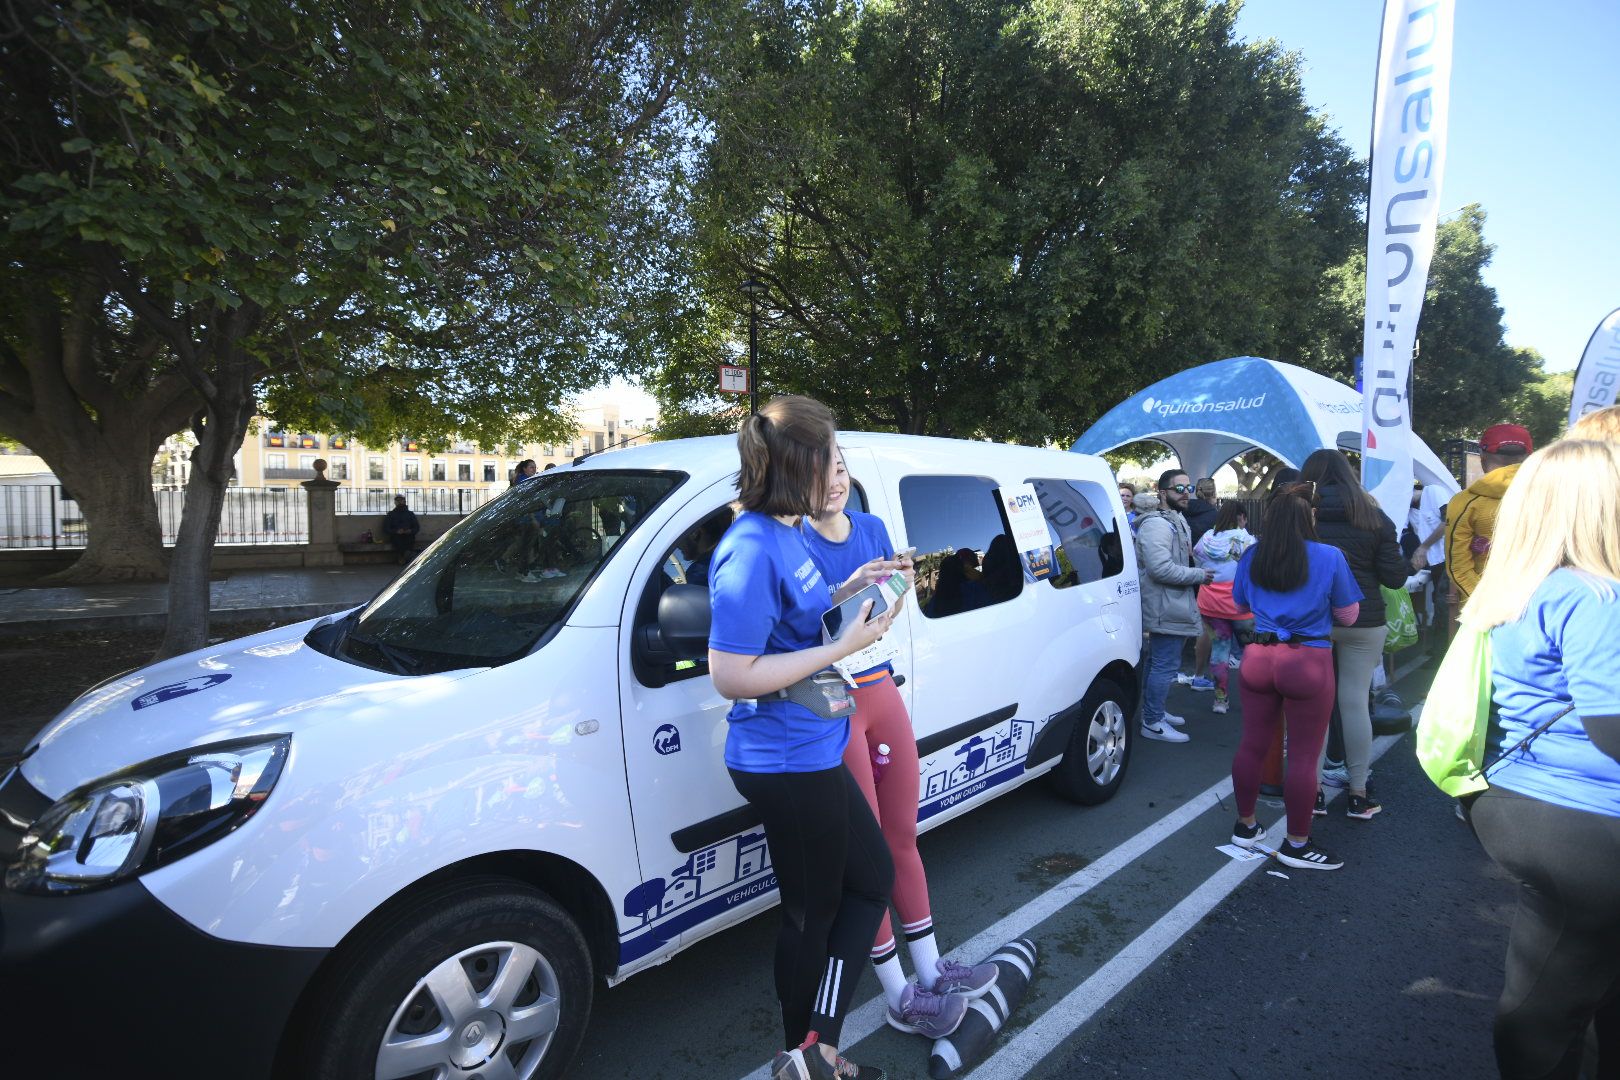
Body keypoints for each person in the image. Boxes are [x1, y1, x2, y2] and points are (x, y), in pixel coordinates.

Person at [706, 395, 895, 1080]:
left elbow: (800, 616)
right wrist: (842, 646)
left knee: (872, 879)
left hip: (811, 746)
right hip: (782, 760)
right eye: (831, 459)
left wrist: (855, 585)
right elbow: (731, 674)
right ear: (799, 466)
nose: (839, 472)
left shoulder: (789, 531)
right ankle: (810, 1059)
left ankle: (816, 1050)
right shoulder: (752, 546)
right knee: (810, 916)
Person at [801, 450, 996, 1041]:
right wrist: (847, 596)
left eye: (836, 467)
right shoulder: (789, 543)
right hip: (829, 700)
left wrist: (899, 584)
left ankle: (933, 970)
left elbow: (891, 606)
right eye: (815, 471)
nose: (832, 482)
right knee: (864, 861)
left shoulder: (872, 528)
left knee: (902, 837)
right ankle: (899, 995)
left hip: (880, 687)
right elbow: (798, 626)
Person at [1463, 438, 1620, 1080]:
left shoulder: (1520, 587)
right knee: (1546, 1015)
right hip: (1586, 816)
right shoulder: (1594, 595)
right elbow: (1611, 727)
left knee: (1564, 987)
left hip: (1523, 798)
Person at [1227, 482, 1362, 870]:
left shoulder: (1253, 554)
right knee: (1303, 757)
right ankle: (1298, 845)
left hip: (1258, 656)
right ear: (1310, 517)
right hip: (1307, 660)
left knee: (1251, 745)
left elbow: (1239, 603)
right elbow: (1348, 614)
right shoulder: (1330, 556)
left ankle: (1246, 825)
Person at [1300, 448, 1409, 820]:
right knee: (1354, 703)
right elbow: (1395, 577)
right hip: (1364, 621)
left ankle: (1311, 793)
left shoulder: (1301, 518)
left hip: (1312, 621)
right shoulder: (1374, 517)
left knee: (1313, 706)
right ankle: (1359, 793)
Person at [1135, 469, 1214, 743]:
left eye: (1189, 488)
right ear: (1162, 492)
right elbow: (1160, 569)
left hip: (1169, 603)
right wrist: (1199, 575)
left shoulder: (1173, 520)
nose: (1186, 494)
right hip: (1164, 604)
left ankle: (1152, 713)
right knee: (1164, 665)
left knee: (1159, 662)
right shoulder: (1157, 524)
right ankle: (1152, 721)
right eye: (1179, 488)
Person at [1446, 423, 1533, 608]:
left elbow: (1458, 567)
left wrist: (1487, 607)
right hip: (1541, 607)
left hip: (1483, 612)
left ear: (1483, 458)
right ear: (1530, 457)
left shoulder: (1464, 503)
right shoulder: (1555, 497)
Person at [1192, 501, 1254, 716]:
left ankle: (1220, 700)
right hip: (1240, 604)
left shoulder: (1207, 537)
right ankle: (1256, 697)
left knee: (1219, 651)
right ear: (1242, 517)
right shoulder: (1246, 539)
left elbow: (1196, 556)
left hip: (1210, 603)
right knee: (1254, 652)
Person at [382, 495, 419, 564]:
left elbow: (416, 527)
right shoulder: (391, 514)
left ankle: (405, 556)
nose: (399, 502)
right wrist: (396, 531)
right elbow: (386, 528)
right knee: (398, 541)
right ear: (395, 503)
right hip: (396, 536)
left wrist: (410, 531)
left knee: (409, 540)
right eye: (397, 501)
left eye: (401, 500)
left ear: (404, 502)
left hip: (409, 535)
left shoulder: (410, 514)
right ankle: (403, 556)